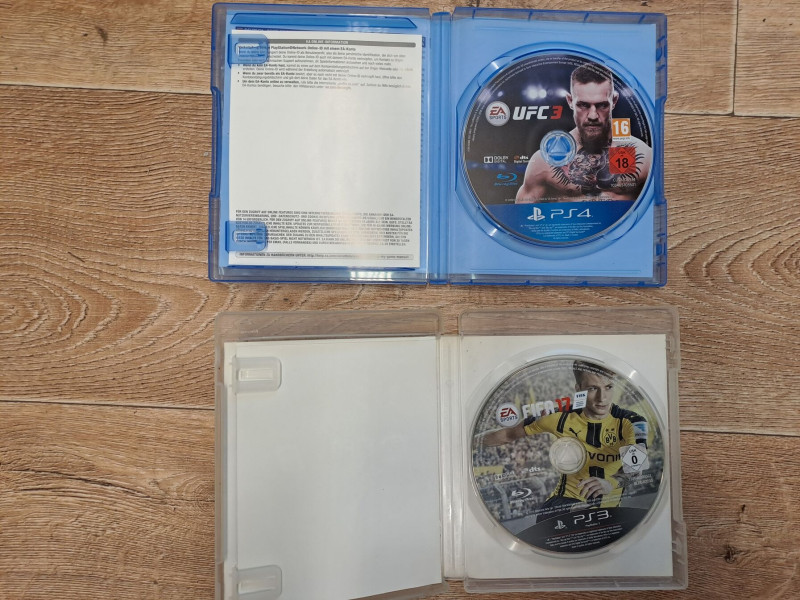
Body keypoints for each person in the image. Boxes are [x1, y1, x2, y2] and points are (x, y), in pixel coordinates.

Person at [481, 361, 648, 521]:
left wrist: (611, 483)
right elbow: (507, 434)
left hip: (609, 517)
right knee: (582, 514)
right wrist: (469, 440)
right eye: (592, 388)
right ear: (579, 389)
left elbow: (636, 467)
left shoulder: (632, 422)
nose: (602, 398)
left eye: (608, 387)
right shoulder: (559, 416)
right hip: (563, 507)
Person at [515, 63, 652, 203]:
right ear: (570, 101)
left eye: (602, 105)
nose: (593, 116)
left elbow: (654, 207)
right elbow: (522, 212)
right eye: (583, 105)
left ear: (614, 101)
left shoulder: (643, 155)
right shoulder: (544, 161)